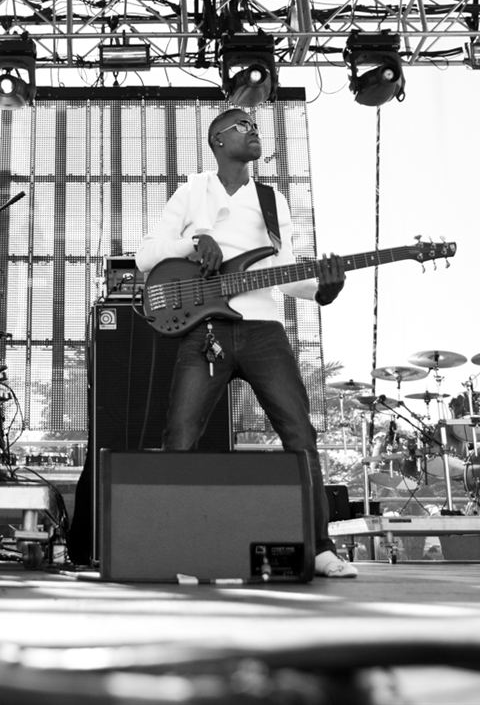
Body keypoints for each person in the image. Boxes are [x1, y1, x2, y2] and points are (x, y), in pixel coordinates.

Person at [135, 107, 357, 579]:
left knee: (300, 434)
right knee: (180, 437)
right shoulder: (193, 191)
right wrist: (196, 242)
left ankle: (319, 547)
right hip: (206, 331)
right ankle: (176, 547)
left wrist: (322, 288)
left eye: (257, 128)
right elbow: (145, 256)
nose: (255, 134)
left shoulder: (272, 199)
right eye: (244, 127)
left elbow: (287, 270)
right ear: (217, 140)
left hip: (263, 330)